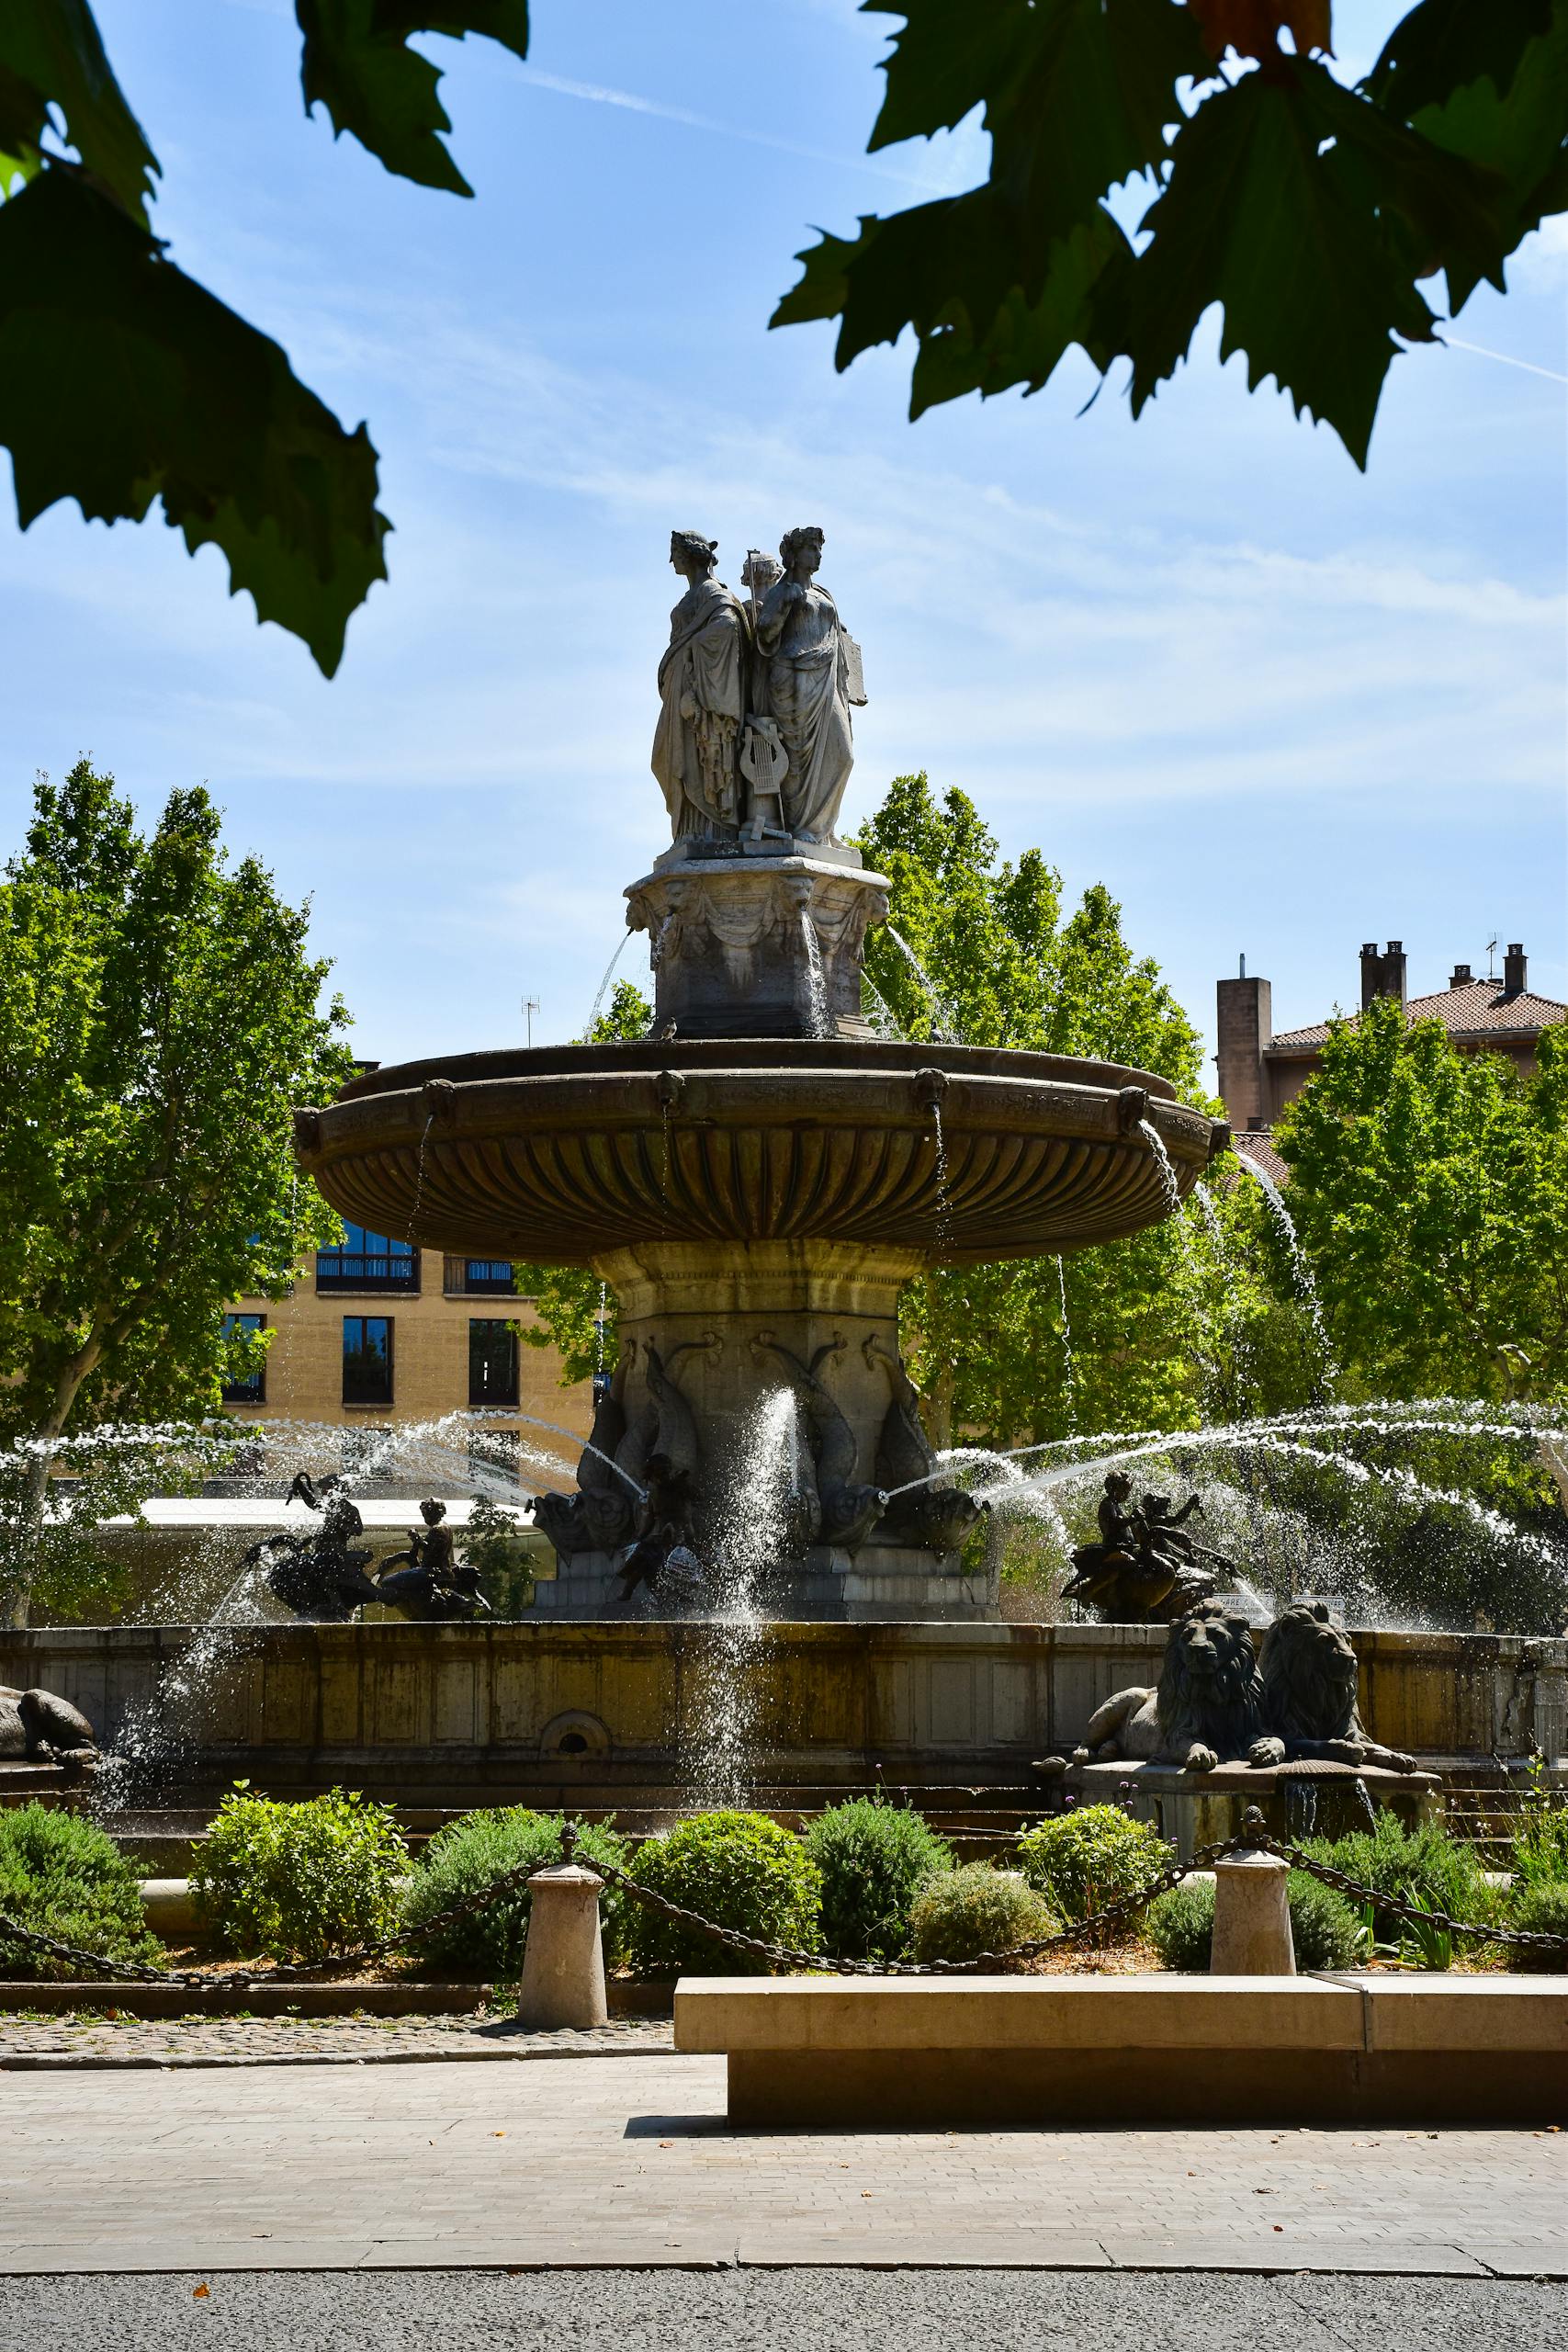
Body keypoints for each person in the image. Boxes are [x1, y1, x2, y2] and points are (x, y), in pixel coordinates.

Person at [753, 526, 862, 843]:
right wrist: (784, 605)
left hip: (825, 681)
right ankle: (801, 828)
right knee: (798, 757)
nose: (818, 553)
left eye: (818, 548)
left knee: (842, 755)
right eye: (811, 548)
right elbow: (765, 638)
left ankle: (823, 828)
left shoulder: (824, 594)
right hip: (793, 679)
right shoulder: (781, 592)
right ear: (794, 554)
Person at [651, 531, 748, 839]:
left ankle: (709, 831)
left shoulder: (712, 593)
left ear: (689, 555)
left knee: (698, 762)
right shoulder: (691, 597)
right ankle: (686, 832)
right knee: (663, 761)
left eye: (675, 554)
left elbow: (729, 625)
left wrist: (691, 655)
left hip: (702, 694)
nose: (672, 562)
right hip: (678, 690)